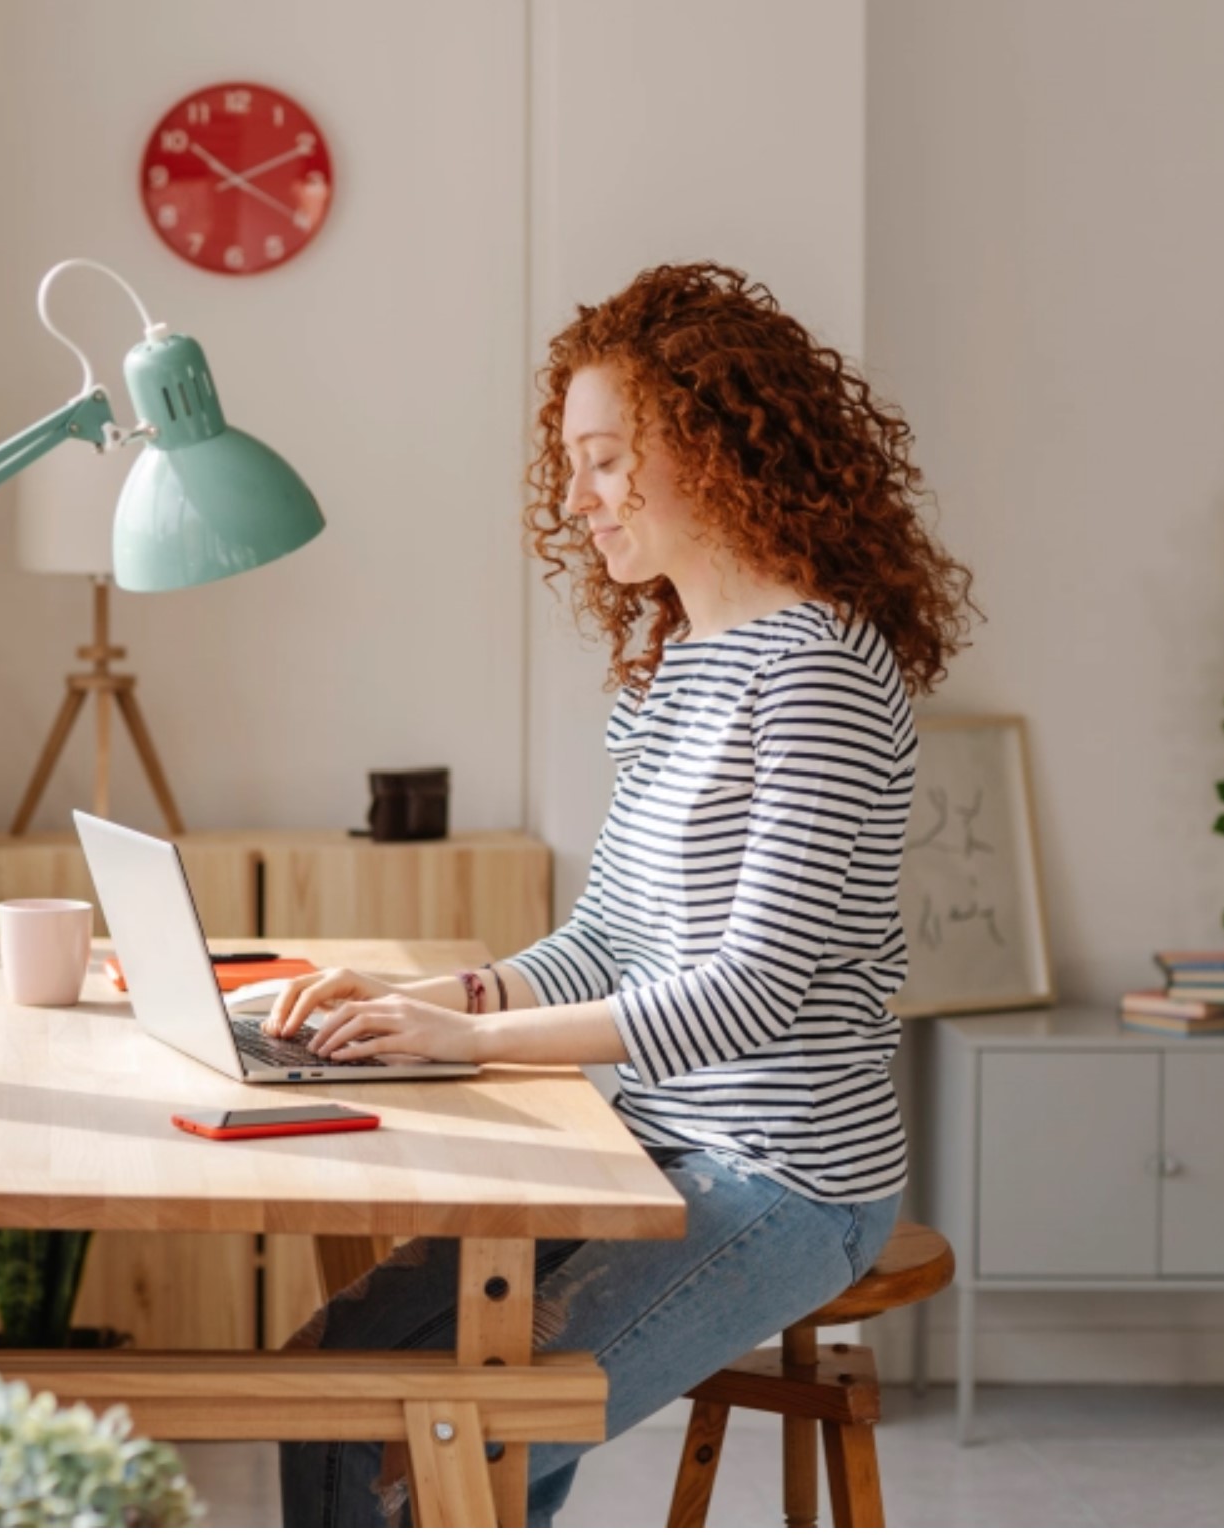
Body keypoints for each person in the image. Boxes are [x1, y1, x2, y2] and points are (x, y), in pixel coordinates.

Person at [268, 263, 974, 1525]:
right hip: (649, 1145)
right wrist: (423, 998)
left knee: (459, 1437)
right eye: (572, 463)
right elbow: (613, 938)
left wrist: (472, 1039)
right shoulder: (676, 670)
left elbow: (749, 992)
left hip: (787, 1175)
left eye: (605, 459)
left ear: (713, 447)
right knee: (330, 1378)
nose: (577, 499)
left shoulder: (820, 673)